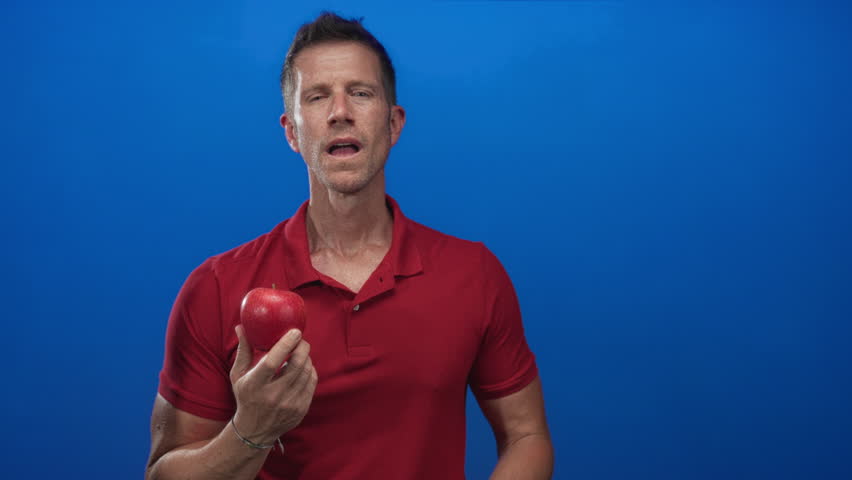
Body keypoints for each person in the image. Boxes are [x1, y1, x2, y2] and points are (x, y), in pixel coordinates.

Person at [145, 12, 553, 480]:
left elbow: (527, 436)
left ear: (394, 123)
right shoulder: (216, 288)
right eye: (317, 96)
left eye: (361, 93)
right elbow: (163, 473)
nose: (340, 111)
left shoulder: (473, 274)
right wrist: (250, 431)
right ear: (292, 132)